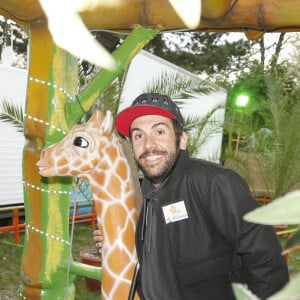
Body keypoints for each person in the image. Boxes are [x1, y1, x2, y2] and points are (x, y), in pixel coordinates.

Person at [94, 93, 289, 300]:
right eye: (138, 135)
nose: (148, 144)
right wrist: (115, 240)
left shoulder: (213, 183)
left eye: (159, 131)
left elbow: (266, 261)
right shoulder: (149, 197)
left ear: (182, 140)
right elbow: (158, 257)